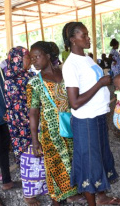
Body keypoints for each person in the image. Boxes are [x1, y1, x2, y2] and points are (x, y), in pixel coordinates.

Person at [62, 22, 120, 206]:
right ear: (73, 39)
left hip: (97, 116)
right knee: (89, 163)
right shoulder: (70, 65)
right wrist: (100, 84)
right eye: (84, 35)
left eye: (88, 35)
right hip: (85, 121)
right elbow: (75, 102)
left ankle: (101, 196)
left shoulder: (87, 58)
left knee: (100, 157)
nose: (89, 38)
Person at [27, 41, 85, 206]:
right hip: (50, 131)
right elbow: (33, 112)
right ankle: (57, 197)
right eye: (31, 58)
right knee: (55, 163)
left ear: (47, 56)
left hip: (72, 124)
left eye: (37, 56)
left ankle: (73, 192)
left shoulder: (66, 73)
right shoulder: (34, 83)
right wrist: (34, 139)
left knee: (74, 158)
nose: (34, 61)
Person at [4, 46, 47, 206]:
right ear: (17, 60)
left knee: (40, 158)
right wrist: (34, 124)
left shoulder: (29, 75)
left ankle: (42, 188)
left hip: (35, 121)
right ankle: (29, 196)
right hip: (22, 127)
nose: (31, 60)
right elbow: (19, 108)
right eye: (27, 57)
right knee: (30, 158)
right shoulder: (11, 80)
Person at [0, 64, 10, 206]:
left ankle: (7, 179)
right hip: (1, 115)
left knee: (4, 149)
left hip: (3, 118)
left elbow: (3, 92)